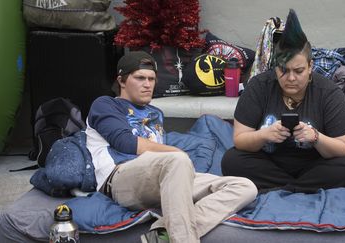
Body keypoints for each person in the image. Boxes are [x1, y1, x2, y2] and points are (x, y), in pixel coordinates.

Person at [85, 51, 257, 243]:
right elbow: (125, 143)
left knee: (244, 187)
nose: (148, 84)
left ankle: (161, 234)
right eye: (140, 78)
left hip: (159, 179)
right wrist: (177, 153)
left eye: (151, 79)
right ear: (122, 81)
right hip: (120, 179)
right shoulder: (105, 105)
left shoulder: (155, 113)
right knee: (177, 160)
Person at [221, 9, 345, 194]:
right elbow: (240, 140)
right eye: (283, 70)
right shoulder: (259, 86)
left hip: (315, 165)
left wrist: (315, 137)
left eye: (298, 71)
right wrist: (264, 135)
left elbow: (343, 148)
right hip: (269, 163)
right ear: (275, 67)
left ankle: (284, 187)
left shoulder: (328, 92)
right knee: (231, 160)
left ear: (310, 67)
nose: (291, 78)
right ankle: (299, 187)